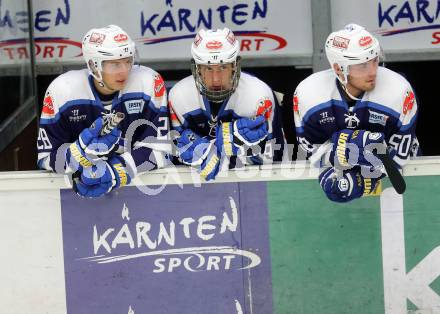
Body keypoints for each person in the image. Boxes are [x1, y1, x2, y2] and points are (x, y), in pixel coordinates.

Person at [37, 25, 170, 197]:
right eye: (115, 64)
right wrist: (77, 155)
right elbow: (46, 158)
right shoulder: (62, 91)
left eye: (128, 61)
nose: (124, 71)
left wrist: (117, 172)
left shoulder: (149, 82)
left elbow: (162, 151)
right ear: (93, 65)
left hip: (144, 194)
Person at [293, 23, 419, 202]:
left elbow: (400, 156)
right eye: (362, 65)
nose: (373, 71)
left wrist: (364, 179)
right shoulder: (308, 94)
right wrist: (336, 159)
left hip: (409, 182)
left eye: (374, 60)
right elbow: (310, 150)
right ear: (338, 68)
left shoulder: (399, 91)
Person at [168, 28, 285, 180]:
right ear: (197, 69)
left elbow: (275, 156)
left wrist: (213, 151)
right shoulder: (179, 96)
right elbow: (175, 156)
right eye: (208, 68)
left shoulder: (259, 95)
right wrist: (227, 146)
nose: (216, 79)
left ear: (234, 66)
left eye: (223, 67)